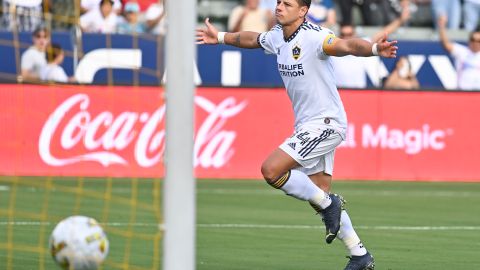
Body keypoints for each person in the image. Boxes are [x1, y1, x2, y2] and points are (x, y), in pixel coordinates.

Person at [197, 0, 398, 268]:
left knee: (271, 170)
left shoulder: (316, 38)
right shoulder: (277, 36)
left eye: (287, 4)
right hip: (307, 125)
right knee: (319, 194)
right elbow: (252, 39)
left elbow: (347, 45)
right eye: (279, 2)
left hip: (326, 124)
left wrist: (373, 48)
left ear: (302, 11)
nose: (279, 7)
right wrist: (220, 37)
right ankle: (360, 254)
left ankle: (330, 205)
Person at [332, 5, 410, 88]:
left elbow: (384, 32)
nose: (346, 37)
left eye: (349, 34)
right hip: (339, 93)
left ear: (354, 34)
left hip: (357, 95)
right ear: (339, 35)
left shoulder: (361, 46)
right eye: (343, 35)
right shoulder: (333, 48)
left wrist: (401, 20)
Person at [438, 15, 480, 90]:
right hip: (463, 92)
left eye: (478, 41)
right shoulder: (462, 52)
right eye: (473, 40)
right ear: (469, 41)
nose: (475, 43)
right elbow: (446, 44)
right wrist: (442, 26)